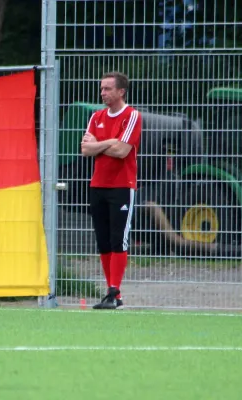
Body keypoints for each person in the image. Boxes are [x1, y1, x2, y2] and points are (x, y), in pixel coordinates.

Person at [80, 71, 142, 310]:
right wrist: (108, 142)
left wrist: (100, 145)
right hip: (98, 185)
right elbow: (85, 150)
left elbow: (122, 150)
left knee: (119, 239)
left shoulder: (132, 116)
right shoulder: (96, 117)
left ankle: (115, 291)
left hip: (121, 186)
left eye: (107, 89)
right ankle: (112, 294)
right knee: (103, 241)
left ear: (120, 92)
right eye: (102, 88)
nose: (102, 93)